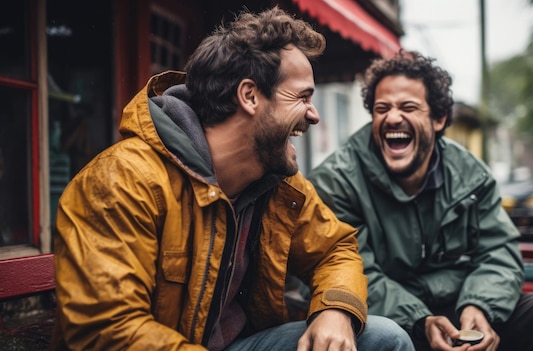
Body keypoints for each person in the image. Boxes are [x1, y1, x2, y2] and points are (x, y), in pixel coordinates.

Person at [50, 7, 414, 351]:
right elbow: (110, 330)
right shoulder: (120, 182)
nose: (313, 115)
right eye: (302, 97)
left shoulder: (277, 183)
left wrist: (335, 311)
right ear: (250, 95)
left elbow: (335, 249)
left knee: (384, 338)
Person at [308, 50, 533, 351]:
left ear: (438, 119)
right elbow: (351, 274)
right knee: (388, 335)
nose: (392, 117)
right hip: (386, 318)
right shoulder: (337, 180)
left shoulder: (471, 176)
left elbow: (499, 252)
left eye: (408, 106)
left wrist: (480, 306)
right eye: (382, 108)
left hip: (459, 308)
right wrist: (421, 320)